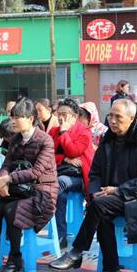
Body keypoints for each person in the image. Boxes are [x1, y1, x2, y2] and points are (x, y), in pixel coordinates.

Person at [49, 99, 137, 272]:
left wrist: (117, 190)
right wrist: (95, 193)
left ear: (132, 119)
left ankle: (76, 252)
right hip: (107, 198)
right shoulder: (108, 139)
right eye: (111, 116)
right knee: (101, 211)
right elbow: (95, 173)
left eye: (118, 117)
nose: (113, 121)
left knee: (99, 208)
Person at [0, 98, 58, 272]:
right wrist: (1, 181)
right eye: (12, 117)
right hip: (19, 189)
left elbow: (37, 171)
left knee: (11, 210)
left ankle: (15, 259)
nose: (13, 121)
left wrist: (9, 179)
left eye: (18, 117)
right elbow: (7, 163)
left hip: (42, 191)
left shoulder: (45, 140)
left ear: (30, 119)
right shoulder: (15, 139)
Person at [49, 99, 94, 249]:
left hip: (80, 177)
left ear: (74, 116)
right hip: (58, 173)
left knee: (59, 182)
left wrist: (64, 131)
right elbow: (47, 155)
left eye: (65, 114)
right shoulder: (52, 132)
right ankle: (60, 235)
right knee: (58, 193)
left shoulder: (84, 132)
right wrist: (65, 159)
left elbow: (74, 151)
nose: (61, 117)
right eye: (58, 114)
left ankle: (43, 217)